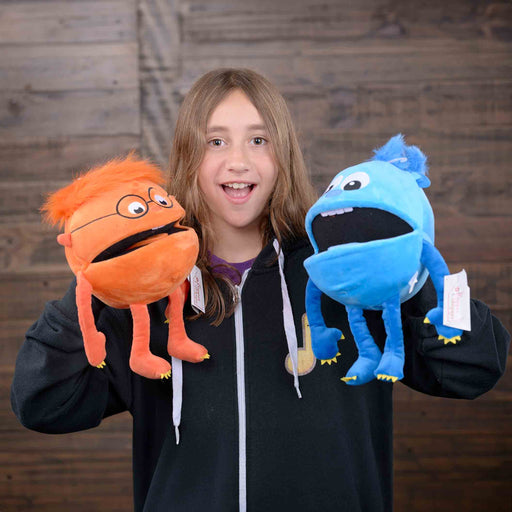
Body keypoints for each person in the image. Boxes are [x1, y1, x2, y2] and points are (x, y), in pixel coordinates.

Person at [11, 68, 510, 512]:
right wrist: (99, 272)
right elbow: (43, 403)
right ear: (188, 156)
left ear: (283, 153)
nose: (238, 162)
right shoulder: (147, 294)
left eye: (258, 140)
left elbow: (473, 367)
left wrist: (413, 272)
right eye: (215, 141)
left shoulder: (342, 270)